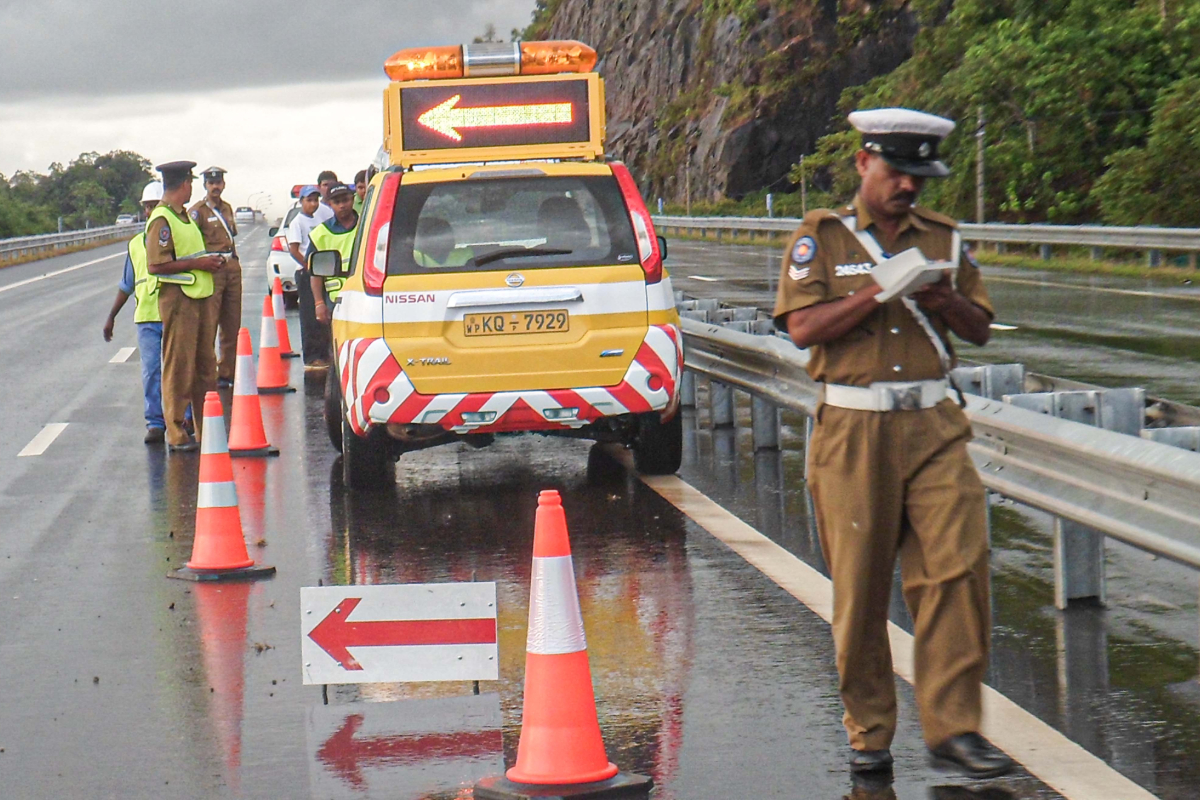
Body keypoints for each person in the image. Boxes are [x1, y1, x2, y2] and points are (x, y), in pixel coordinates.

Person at [772, 108, 1012, 779]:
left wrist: (940, 300)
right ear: (863, 163)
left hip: (934, 425)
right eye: (897, 172)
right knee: (861, 590)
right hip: (854, 430)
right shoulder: (821, 237)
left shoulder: (943, 237)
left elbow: (982, 328)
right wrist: (881, 292)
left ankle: (955, 730)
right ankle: (870, 732)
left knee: (957, 572)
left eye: (919, 176)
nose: (909, 187)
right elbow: (801, 327)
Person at [145, 161, 225, 453]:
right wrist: (198, 264)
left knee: (205, 366)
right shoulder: (161, 219)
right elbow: (155, 264)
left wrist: (209, 262)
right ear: (184, 184)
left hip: (199, 296)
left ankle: (206, 430)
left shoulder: (184, 218)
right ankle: (176, 432)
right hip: (178, 300)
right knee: (179, 367)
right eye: (190, 182)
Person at [102, 180, 168, 443]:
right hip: (147, 318)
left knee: (177, 370)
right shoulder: (135, 245)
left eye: (156, 206)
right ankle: (155, 422)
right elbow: (127, 284)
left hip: (173, 314)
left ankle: (184, 417)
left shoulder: (173, 239)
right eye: (148, 207)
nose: (151, 212)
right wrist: (111, 317)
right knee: (151, 371)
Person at [188, 167, 239, 388]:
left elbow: (232, 235)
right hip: (213, 268)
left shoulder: (227, 208)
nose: (215, 187)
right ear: (205, 186)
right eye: (211, 183)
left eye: (218, 183)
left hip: (231, 266)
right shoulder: (198, 211)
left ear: (224, 184)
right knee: (209, 322)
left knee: (231, 322)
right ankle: (207, 374)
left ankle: (228, 372)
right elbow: (192, 242)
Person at [306, 182, 359, 357]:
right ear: (329, 204)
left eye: (345, 199)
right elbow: (315, 272)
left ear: (352, 199)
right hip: (335, 300)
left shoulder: (367, 225)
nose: (342, 205)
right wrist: (319, 303)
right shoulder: (321, 233)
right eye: (337, 202)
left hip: (364, 295)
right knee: (339, 349)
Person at [288, 186, 327, 366]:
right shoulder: (298, 222)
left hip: (319, 272)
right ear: (301, 201)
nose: (313, 204)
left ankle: (323, 353)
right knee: (309, 316)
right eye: (309, 200)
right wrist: (309, 266)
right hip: (306, 274)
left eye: (315, 200)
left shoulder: (319, 219)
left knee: (321, 316)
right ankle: (311, 356)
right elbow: (294, 250)